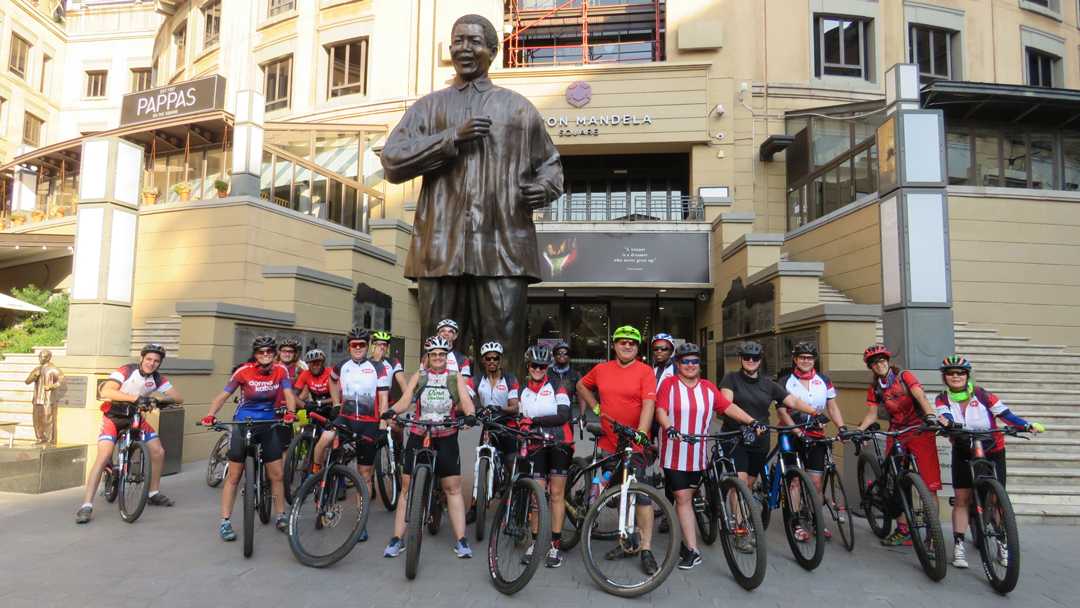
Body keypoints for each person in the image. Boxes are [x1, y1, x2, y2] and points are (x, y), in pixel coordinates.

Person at [381, 13, 563, 377]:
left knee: (504, 348)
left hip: (503, 247)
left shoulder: (518, 109)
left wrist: (542, 188)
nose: (464, 48)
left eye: (474, 41)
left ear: (493, 51)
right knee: (438, 350)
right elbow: (392, 160)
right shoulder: (429, 107)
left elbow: (552, 168)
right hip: (440, 247)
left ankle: (504, 427)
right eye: (458, 41)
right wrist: (450, 139)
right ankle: (435, 425)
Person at [655, 343, 762, 570]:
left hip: (698, 453)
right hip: (675, 452)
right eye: (686, 361)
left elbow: (727, 407)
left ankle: (693, 524)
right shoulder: (669, 385)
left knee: (690, 496)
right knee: (683, 498)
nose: (690, 365)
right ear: (678, 364)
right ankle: (693, 550)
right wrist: (669, 427)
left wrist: (751, 420)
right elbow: (661, 410)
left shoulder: (707, 387)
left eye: (695, 361)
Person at [934, 355, 1045, 569]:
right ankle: (958, 544)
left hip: (993, 449)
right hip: (964, 450)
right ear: (945, 377)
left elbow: (1006, 414)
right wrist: (948, 423)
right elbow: (944, 415)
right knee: (961, 499)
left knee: (996, 499)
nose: (955, 376)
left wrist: (1026, 425)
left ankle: (1002, 541)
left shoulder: (983, 395)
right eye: (950, 373)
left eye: (960, 373)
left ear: (967, 375)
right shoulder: (942, 399)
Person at [380, 336, 477, 559]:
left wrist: (470, 415)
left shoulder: (454, 377)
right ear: (428, 357)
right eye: (434, 354)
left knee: (452, 487)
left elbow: (464, 400)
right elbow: (406, 400)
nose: (438, 358)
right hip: (419, 433)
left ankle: (461, 541)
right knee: (406, 487)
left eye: (442, 354)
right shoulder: (420, 376)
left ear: (446, 356)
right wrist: (392, 411)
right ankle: (397, 539)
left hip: (446, 435)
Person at [719, 340, 818, 551]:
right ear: (741, 359)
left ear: (760, 360)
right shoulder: (731, 379)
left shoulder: (768, 384)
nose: (751, 361)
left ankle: (745, 512)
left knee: (749, 484)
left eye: (755, 358)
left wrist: (814, 412)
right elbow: (727, 404)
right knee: (741, 481)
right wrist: (750, 422)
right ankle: (740, 530)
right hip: (735, 437)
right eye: (747, 357)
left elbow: (791, 401)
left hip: (760, 441)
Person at [576, 325, 660, 575]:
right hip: (609, 443)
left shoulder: (645, 371)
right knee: (617, 493)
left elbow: (648, 404)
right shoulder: (602, 369)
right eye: (622, 342)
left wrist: (642, 434)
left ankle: (645, 548)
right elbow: (581, 386)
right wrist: (596, 408)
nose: (627, 345)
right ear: (614, 345)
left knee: (641, 494)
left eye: (632, 343)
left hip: (635, 444)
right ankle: (626, 540)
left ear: (637, 347)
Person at [202, 336, 298, 539]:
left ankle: (280, 514)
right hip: (243, 422)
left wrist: (290, 412)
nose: (265, 355)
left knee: (277, 474)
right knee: (234, 475)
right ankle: (225, 522)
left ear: (274, 354)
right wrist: (210, 415)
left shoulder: (281, 371)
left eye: (269, 352)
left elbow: (289, 394)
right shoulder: (243, 371)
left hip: (268, 424)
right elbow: (223, 395)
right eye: (261, 352)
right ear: (255, 354)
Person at [76, 343, 184, 524]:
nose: (152, 363)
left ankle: (153, 493)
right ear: (141, 358)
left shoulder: (157, 378)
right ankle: (86, 505)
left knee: (158, 451)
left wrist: (159, 400)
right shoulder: (126, 370)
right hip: (114, 417)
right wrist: (135, 398)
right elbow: (106, 390)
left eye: (156, 361)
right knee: (103, 457)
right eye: (149, 359)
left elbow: (179, 397)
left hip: (135, 417)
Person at [856, 344, 943, 547]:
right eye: (874, 363)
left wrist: (930, 416)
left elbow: (920, 396)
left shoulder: (905, 376)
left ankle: (933, 535)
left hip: (919, 430)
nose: (879, 365)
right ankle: (903, 529)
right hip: (896, 432)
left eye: (881, 360)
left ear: (888, 360)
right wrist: (859, 431)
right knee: (895, 482)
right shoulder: (875, 387)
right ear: (871, 367)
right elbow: (872, 414)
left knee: (930, 486)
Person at [308, 328, 389, 543]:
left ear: (368, 346)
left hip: (369, 423)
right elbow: (332, 381)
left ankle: (360, 522)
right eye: (354, 345)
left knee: (365, 474)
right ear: (349, 346)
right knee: (324, 439)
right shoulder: (341, 365)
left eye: (362, 344)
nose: (358, 348)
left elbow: (383, 398)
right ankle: (314, 473)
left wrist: (383, 423)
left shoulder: (378, 367)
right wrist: (335, 403)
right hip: (345, 418)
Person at [777, 341, 846, 541]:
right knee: (795, 481)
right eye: (802, 357)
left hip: (816, 435)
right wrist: (798, 432)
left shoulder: (823, 380)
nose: (806, 361)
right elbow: (782, 410)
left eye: (809, 358)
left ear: (814, 360)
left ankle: (817, 521)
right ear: (795, 359)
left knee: (816, 482)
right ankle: (796, 521)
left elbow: (832, 407)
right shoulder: (785, 381)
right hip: (791, 435)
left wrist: (841, 427)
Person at [518, 346, 573, 568]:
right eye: (534, 366)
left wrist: (534, 421)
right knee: (536, 496)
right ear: (528, 366)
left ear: (548, 367)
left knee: (556, 495)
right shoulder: (524, 390)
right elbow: (522, 418)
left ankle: (555, 545)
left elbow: (563, 415)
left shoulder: (558, 386)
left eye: (542, 366)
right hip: (536, 445)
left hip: (560, 443)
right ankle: (535, 543)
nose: (538, 369)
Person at [465, 341, 520, 524]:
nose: (492, 361)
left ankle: (514, 505)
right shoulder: (477, 379)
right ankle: (474, 506)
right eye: (488, 358)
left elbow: (515, 407)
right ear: (483, 360)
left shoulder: (510, 379)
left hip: (508, 426)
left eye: (495, 358)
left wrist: (499, 408)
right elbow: (466, 396)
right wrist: (472, 410)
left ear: (500, 359)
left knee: (511, 463)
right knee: (479, 463)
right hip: (488, 427)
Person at [25, 348, 63, 445]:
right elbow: (27, 381)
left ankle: (50, 440)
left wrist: (52, 386)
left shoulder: (53, 369)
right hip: (37, 399)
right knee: (36, 420)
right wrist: (34, 376)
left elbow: (61, 380)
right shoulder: (37, 369)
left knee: (47, 420)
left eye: (44, 356)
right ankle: (40, 438)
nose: (41, 358)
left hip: (48, 400)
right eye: (40, 356)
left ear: (49, 358)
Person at [293, 349, 339, 417]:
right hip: (315, 406)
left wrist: (319, 403)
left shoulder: (331, 373)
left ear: (323, 363)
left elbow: (339, 397)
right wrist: (304, 405)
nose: (315, 366)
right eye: (312, 363)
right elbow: (293, 395)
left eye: (318, 363)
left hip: (332, 406)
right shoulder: (305, 374)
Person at [547, 340, 581, 417]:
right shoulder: (547, 373)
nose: (562, 355)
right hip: (549, 415)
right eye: (558, 353)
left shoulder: (575, 374)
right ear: (554, 356)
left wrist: (582, 414)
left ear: (569, 356)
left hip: (567, 417)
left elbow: (581, 396)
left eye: (566, 353)